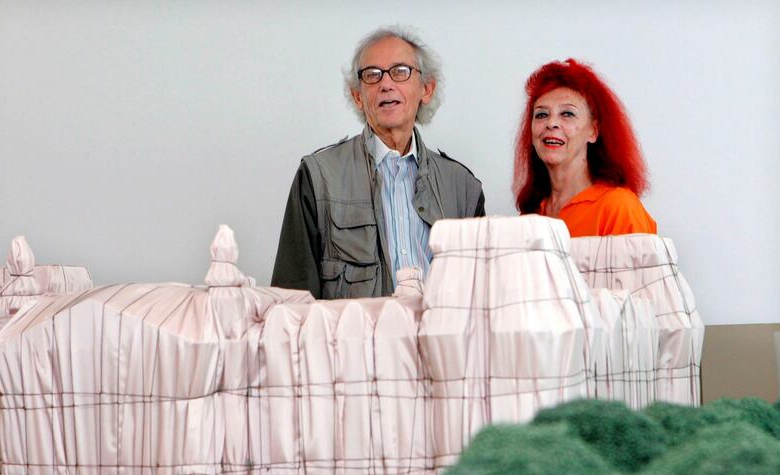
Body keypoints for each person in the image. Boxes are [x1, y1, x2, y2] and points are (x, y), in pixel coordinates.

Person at [272, 26, 485, 299]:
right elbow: (292, 302)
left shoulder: (462, 186)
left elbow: (480, 297)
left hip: (439, 341)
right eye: (372, 75)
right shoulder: (319, 176)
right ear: (358, 96)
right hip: (354, 342)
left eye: (400, 71)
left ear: (426, 89)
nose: (386, 84)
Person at [513, 58, 656, 237]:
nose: (551, 123)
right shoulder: (530, 215)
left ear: (593, 131)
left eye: (567, 113)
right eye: (541, 114)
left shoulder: (619, 207)